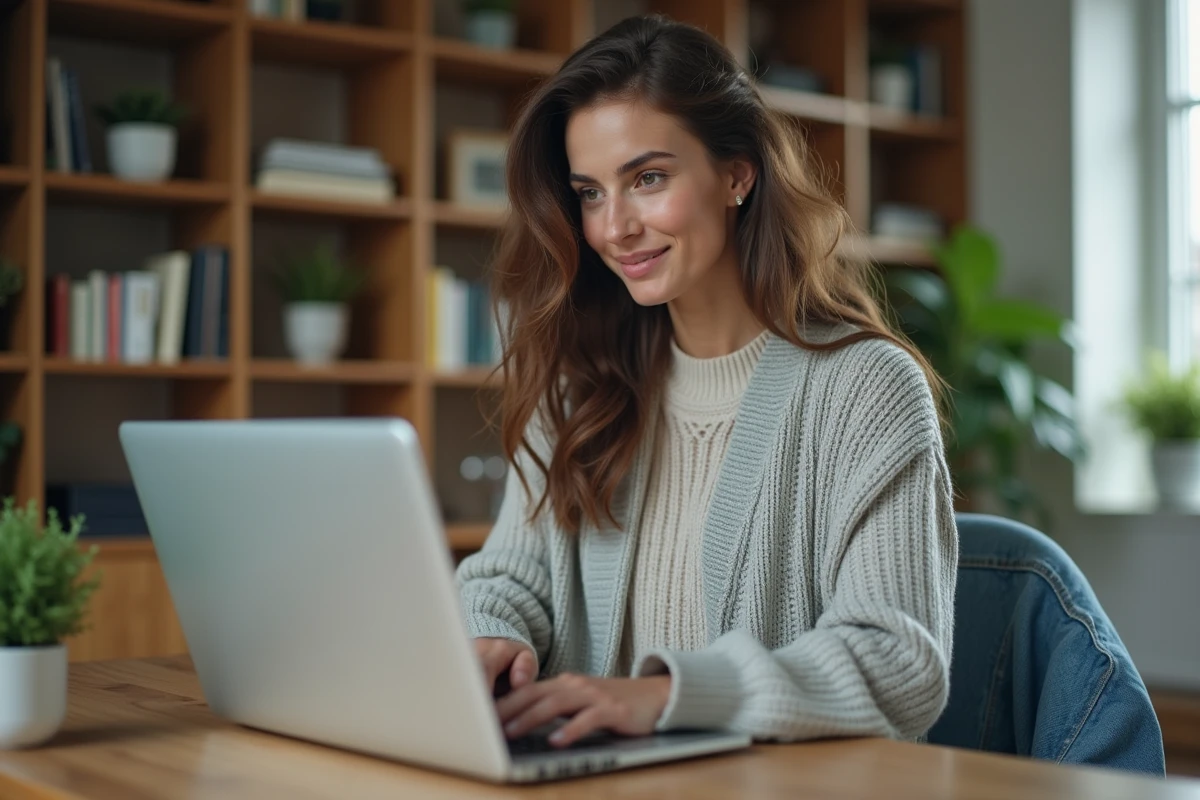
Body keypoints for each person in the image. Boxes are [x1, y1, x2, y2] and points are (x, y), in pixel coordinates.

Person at [455, 14, 958, 750]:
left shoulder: (864, 389)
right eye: (590, 193)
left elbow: (899, 661)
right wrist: (493, 636)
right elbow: (507, 577)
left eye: (647, 179)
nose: (614, 227)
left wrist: (669, 697)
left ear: (736, 174)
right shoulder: (580, 387)